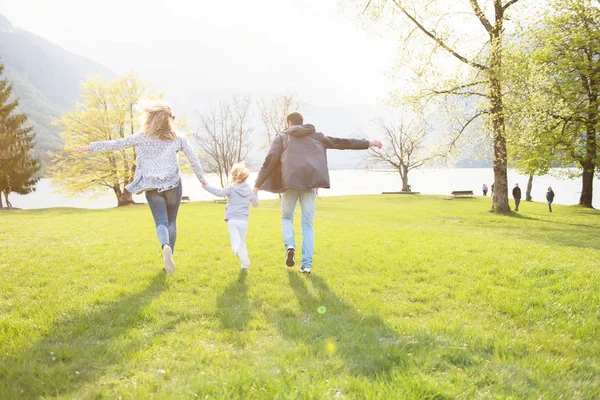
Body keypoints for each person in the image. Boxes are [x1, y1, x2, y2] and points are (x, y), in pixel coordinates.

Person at [75, 100, 207, 275]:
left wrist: (90, 147)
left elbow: (116, 144)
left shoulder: (141, 136)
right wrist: (202, 180)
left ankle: (165, 246)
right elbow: (193, 160)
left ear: (151, 118)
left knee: (161, 222)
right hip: (173, 185)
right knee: (172, 222)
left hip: (151, 186)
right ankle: (170, 256)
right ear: (167, 119)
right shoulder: (179, 138)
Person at [253, 112, 382, 274]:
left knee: (287, 218)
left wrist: (257, 184)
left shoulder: (282, 137)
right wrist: (369, 143)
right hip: (309, 185)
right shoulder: (317, 136)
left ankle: (290, 245)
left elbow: (270, 160)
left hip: (290, 183)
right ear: (302, 122)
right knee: (307, 225)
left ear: (289, 122)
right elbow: (341, 143)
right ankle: (306, 266)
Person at [203, 163, 259, 271]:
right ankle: (244, 267)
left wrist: (206, 186)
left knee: (235, 244)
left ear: (233, 176)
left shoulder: (230, 189)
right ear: (245, 177)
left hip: (233, 220)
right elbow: (255, 204)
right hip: (243, 220)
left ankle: (241, 256)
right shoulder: (249, 191)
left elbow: (218, 192)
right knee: (242, 242)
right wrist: (256, 194)